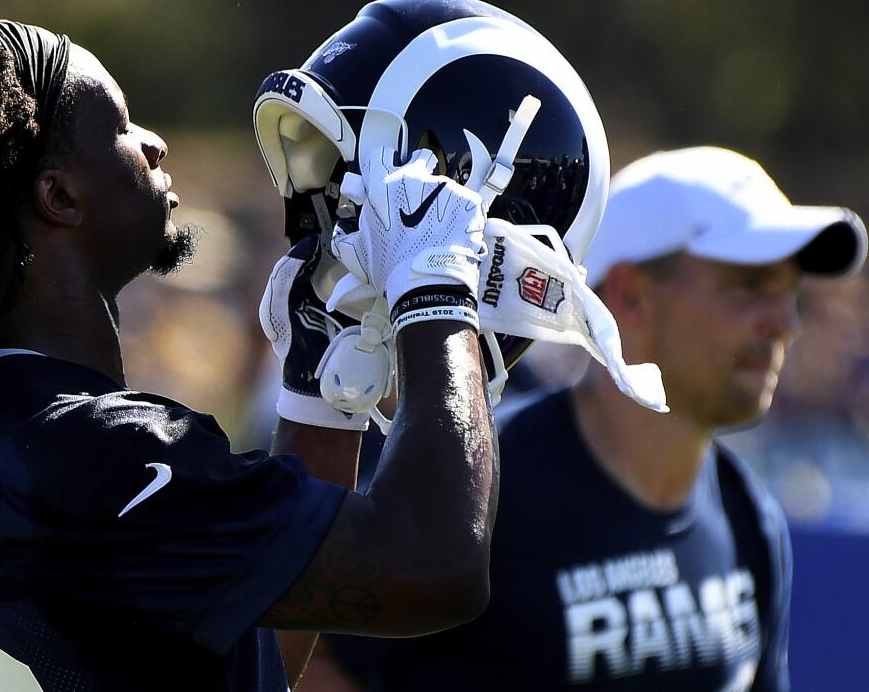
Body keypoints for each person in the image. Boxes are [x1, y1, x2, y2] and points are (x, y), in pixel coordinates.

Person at [0, 18, 501, 691]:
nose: (154, 142)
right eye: (122, 124)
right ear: (59, 196)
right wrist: (435, 285)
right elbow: (436, 564)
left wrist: (316, 391)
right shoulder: (95, 455)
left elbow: (245, 646)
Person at [322, 146, 867, 691]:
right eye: (749, 287)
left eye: (789, 291)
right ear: (631, 299)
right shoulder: (475, 488)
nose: (786, 323)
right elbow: (316, 666)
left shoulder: (747, 513)